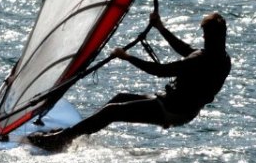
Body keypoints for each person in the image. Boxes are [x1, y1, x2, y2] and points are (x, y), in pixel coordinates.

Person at [25, 11, 231, 153]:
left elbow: (160, 71)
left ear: (209, 36)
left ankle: (60, 140)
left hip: (170, 109)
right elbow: (186, 49)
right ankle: (72, 135)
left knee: (112, 111)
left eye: (204, 35)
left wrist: (127, 57)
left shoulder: (201, 59)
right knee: (120, 98)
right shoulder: (222, 58)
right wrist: (160, 27)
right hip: (179, 107)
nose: (203, 38)